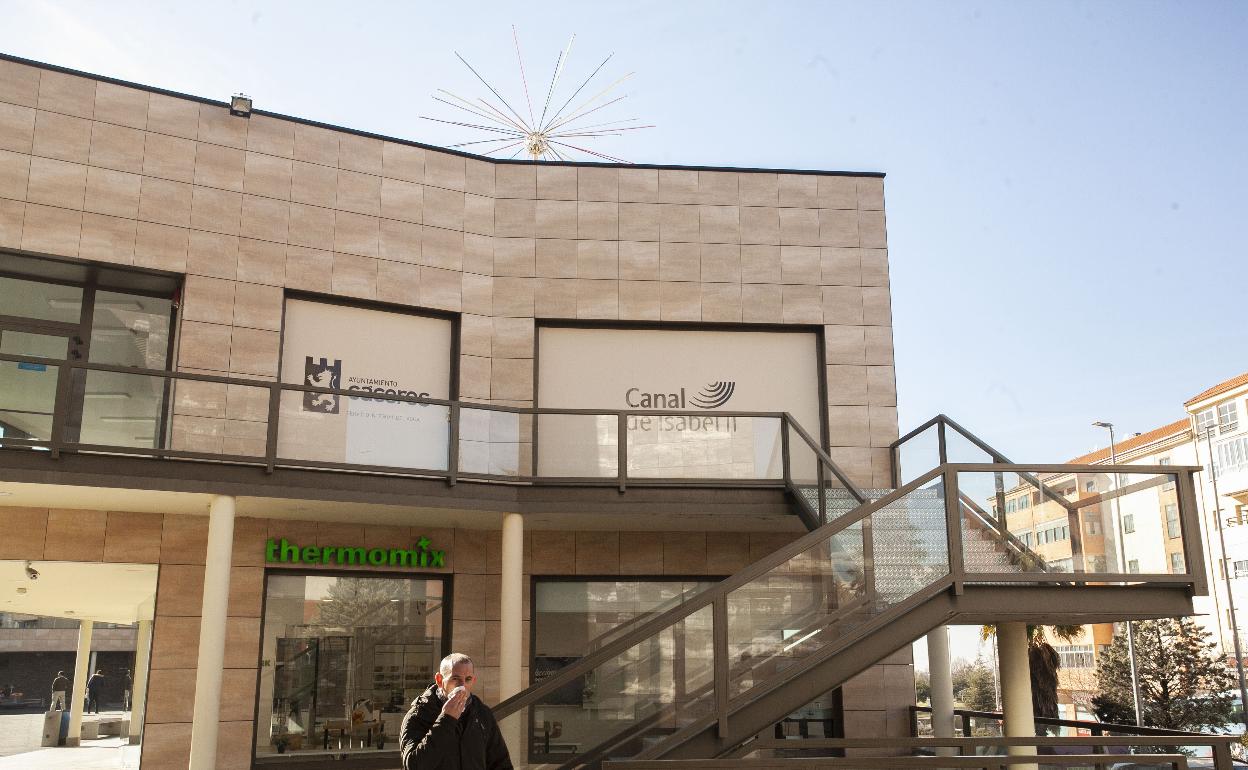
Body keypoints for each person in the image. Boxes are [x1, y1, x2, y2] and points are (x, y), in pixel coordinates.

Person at [399, 653, 512, 770]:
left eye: (468, 679)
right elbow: (413, 765)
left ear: (473, 681)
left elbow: (501, 763)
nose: (462, 686)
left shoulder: (482, 714)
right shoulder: (419, 714)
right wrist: (446, 719)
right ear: (439, 680)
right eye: (455, 679)